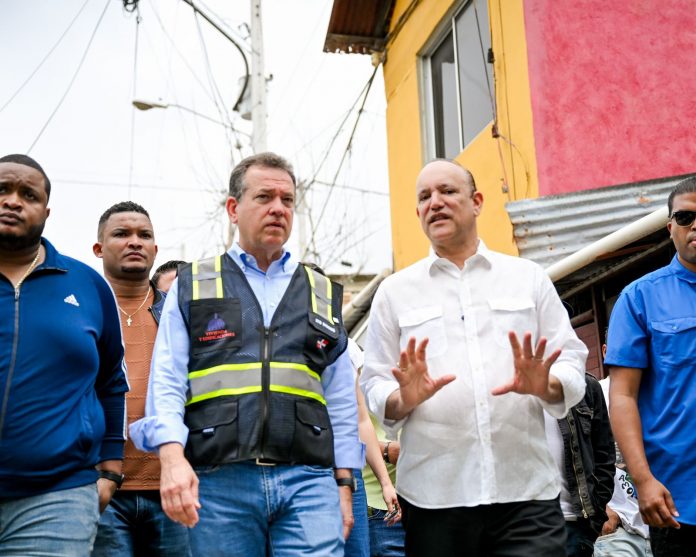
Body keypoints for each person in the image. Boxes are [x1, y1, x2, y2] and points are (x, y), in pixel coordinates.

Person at [130, 152, 361, 557]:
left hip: (308, 481)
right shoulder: (194, 283)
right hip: (219, 481)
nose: (278, 208)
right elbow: (167, 380)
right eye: (264, 197)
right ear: (234, 209)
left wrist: (344, 483)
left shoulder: (321, 291)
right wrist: (171, 458)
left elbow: (340, 398)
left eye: (287, 200)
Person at [360, 159, 588, 556]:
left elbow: (571, 360)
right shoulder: (394, 293)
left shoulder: (527, 278)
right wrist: (403, 399)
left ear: (477, 201)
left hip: (526, 493)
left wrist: (546, 384)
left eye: (447, 191)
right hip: (434, 498)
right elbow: (376, 384)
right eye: (424, 197)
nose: (435, 202)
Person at [0, 154, 128, 556]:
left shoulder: (87, 284)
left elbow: (111, 380)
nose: (12, 201)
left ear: (46, 212)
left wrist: (111, 467)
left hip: (57, 499)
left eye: (28, 195)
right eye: (2, 190)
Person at [91, 202, 189, 556]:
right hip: (99, 487)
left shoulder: (181, 314)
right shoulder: (80, 311)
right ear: (98, 248)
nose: (135, 241)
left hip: (174, 488)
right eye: (122, 234)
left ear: (155, 249)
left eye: (144, 235)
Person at [605, 176, 696, 557]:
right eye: (686, 217)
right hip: (677, 501)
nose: (695, 226)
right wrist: (642, 481)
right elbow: (622, 396)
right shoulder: (639, 298)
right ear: (670, 227)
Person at [543, 373, 614, 556]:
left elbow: (604, 456)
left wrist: (594, 518)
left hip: (573, 525)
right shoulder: (499, 384)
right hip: (519, 524)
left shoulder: (585, 385)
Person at [345, 339, 400, 557]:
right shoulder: (357, 358)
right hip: (381, 507)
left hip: (428, 504)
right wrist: (386, 451)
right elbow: (350, 428)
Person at [595, 372, 652, 557]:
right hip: (618, 531)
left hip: (666, 525)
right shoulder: (596, 392)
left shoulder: (667, 392)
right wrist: (602, 513)